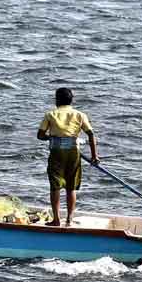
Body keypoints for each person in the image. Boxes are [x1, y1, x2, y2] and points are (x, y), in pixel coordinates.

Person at [37, 87, 98, 227]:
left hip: (57, 152)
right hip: (73, 152)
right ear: (71, 100)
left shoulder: (50, 114)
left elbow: (40, 135)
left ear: (57, 100)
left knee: (55, 186)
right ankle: (70, 219)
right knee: (71, 187)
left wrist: (50, 138)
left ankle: (57, 219)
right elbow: (91, 134)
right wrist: (94, 156)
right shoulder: (79, 115)